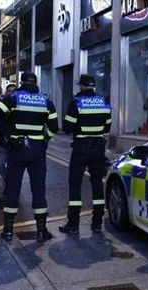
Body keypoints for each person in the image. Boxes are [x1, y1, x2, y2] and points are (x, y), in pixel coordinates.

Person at [0, 73, 58, 242]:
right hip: (37, 151)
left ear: (22, 83)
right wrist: (43, 138)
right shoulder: (46, 101)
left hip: (16, 150)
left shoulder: (14, 98)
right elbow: (54, 127)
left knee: (13, 189)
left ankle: (8, 230)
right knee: (38, 190)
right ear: (36, 83)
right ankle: (41, 231)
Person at [59, 74, 112, 234]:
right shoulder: (104, 102)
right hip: (98, 149)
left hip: (81, 148)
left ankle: (73, 224)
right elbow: (107, 128)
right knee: (97, 184)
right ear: (93, 86)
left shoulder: (77, 102)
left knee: (75, 184)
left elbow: (67, 127)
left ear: (81, 85)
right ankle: (97, 223)